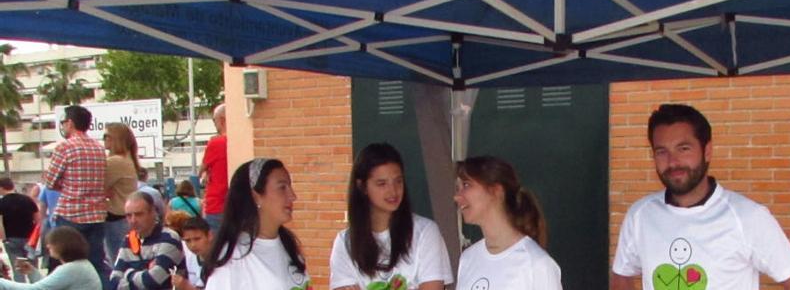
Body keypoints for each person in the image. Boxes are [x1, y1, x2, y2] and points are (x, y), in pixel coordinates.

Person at [611, 103, 790, 290]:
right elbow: (622, 276)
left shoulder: (748, 217)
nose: (673, 162)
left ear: (707, 151)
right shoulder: (640, 215)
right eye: (662, 151)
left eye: (684, 149)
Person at [330, 143, 453, 290]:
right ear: (362, 186)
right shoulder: (345, 243)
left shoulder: (426, 232)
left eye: (398, 181)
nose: (393, 191)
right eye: (381, 184)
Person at [453, 156, 562, 290]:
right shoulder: (468, 259)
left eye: (466, 185)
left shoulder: (536, 265)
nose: (457, 196)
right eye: (457, 188)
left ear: (497, 191)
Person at [202, 158, 311, 290]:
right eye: (282, 187)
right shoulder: (233, 257)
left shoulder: (288, 245)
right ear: (255, 196)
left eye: (290, 187)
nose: (293, 196)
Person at [43, 105, 109, 288]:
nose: (63, 126)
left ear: (70, 123)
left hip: (71, 214)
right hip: (96, 214)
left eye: (63, 123)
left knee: (62, 264)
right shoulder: (98, 148)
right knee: (96, 264)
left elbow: (50, 181)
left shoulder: (65, 147)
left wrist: (65, 185)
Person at [109, 191, 184, 290]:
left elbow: (152, 281)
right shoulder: (128, 240)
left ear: (153, 212)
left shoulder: (169, 238)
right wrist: (144, 273)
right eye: (128, 215)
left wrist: (128, 273)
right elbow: (113, 281)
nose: (133, 220)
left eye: (139, 214)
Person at [0, 226, 102, 290]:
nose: (48, 246)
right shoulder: (80, 265)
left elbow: (38, 289)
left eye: (51, 243)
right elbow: (50, 286)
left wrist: (2, 282)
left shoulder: (71, 269)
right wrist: (32, 272)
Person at [104, 123, 140, 266]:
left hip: (116, 217)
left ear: (115, 139)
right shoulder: (127, 159)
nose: (104, 139)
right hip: (124, 217)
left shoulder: (115, 162)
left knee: (118, 263)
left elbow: (95, 186)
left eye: (106, 136)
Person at [0, 177, 39, 282]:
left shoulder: (2, 202)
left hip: (11, 239)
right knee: (32, 268)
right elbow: (38, 220)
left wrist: (4, 240)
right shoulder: (27, 200)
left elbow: (0, 224)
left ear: (1, 188)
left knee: (17, 269)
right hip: (30, 239)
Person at [199, 104, 227, 232]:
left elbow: (201, 171)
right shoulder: (238, 141)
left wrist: (206, 173)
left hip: (216, 205)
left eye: (214, 121)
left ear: (221, 120)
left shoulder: (216, 143)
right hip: (236, 205)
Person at [170, 217, 213, 290]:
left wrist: (187, 287)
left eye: (197, 239)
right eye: (188, 241)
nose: (193, 245)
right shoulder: (187, 253)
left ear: (209, 236)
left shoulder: (222, 261)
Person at [37, 185, 62, 272]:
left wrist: (41, 223)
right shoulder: (73, 183)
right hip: (75, 226)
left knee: (55, 258)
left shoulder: (48, 187)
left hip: (54, 226)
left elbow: (42, 206)